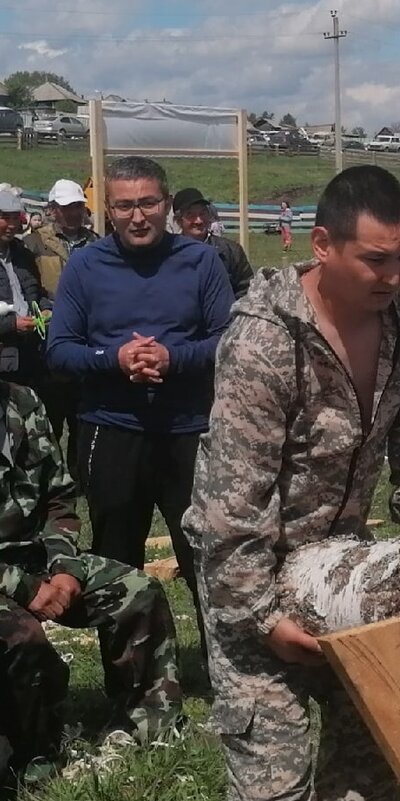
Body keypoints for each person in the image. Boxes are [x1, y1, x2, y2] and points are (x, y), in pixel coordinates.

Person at [184, 165, 400, 801]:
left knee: (372, 770)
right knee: (272, 785)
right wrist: (261, 615)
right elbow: (231, 502)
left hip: (343, 570)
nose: (393, 275)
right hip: (251, 574)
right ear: (323, 246)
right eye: (376, 259)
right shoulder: (264, 341)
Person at [45, 156, 234, 666]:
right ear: (106, 210)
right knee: (117, 561)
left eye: (148, 203)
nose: (138, 216)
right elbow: (59, 349)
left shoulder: (201, 262)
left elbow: (229, 342)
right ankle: (132, 689)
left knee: (207, 557)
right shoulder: (86, 266)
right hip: (113, 427)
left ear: (166, 205)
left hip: (189, 428)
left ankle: (229, 673)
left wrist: (174, 358)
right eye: (124, 205)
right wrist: (114, 359)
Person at [0, 380, 181, 790]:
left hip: (34, 556)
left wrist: (65, 568)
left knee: (137, 590)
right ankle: (35, 750)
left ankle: (149, 721)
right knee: (21, 638)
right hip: (8, 576)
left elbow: (59, 497)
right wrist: (25, 589)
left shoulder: (22, 401)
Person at [23, 180, 98, 477]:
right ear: (53, 210)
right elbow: (28, 286)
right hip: (48, 340)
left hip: (88, 339)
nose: (73, 213)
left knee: (82, 416)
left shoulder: (96, 242)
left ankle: (81, 476)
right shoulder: (32, 244)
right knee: (50, 415)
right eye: (67, 208)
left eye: (77, 207)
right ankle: (51, 477)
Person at [0, 191, 52, 391]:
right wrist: (11, 324)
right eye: (5, 218)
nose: (13, 225)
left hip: (30, 352)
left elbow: (37, 293)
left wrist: (45, 309)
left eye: (16, 218)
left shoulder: (23, 254)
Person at [172, 188, 254, 298]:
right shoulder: (169, 254)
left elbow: (247, 291)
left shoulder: (231, 251)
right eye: (191, 215)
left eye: (203, 213)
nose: (199, 221)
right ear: (179, 220)